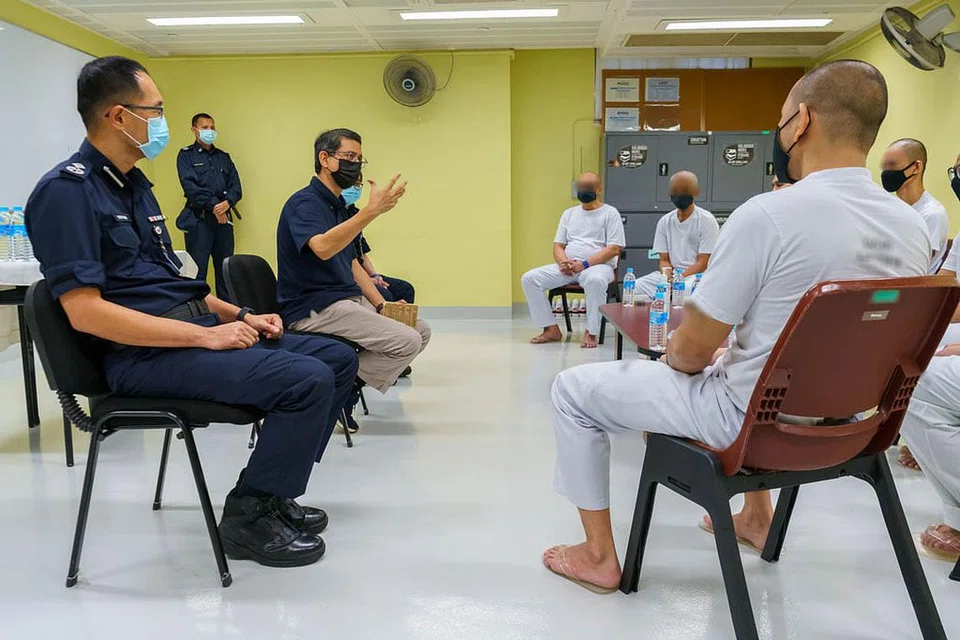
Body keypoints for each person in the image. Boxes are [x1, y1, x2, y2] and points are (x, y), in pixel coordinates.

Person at [543, 60, 932, 593]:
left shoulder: (768, 215)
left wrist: (699, 353)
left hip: (751, 426)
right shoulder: (912, 228)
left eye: (780, 119)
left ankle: (596, 555)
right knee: (752, 365)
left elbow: (690, 355)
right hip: (858, 429)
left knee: (571, 390)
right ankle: (755, 517)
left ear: (801, 121)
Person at [25, 56, 359, 569]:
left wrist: (239, 316)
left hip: (189, 332)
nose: (161, 120)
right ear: (118, 117)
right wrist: (207, 339)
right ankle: (247, 516)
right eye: (153, 110)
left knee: (336, 359)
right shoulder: (66, 193)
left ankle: (272, 493)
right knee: (306, 379)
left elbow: (179, 285)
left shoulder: (136, 185)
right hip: (141, 356)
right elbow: (86, 313)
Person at [277, 128, 429, 430]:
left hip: (345, 300)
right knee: (406, 340)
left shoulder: (339, 206)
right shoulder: (304, 203)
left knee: (420, 330)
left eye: (359, 159)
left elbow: (351, 261)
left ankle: (344, 386)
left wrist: (381, 304)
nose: (355, 165)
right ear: (325, 159)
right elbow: (321, 248)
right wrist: (370, 212)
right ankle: (337, 391)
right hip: (314, 307)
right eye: (348, 157)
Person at [521, 172, 625, 349]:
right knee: (530, 279)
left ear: (599, 189)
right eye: (581, 188)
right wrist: (563, 262)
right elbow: (558, 245)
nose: (584, 191)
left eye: (589, 188)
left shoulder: (610, 213)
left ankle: (591, 331)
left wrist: (583, 264)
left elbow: (614, 248)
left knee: (595, 280)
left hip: (597, 267)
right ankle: (550, 329)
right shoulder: (569, 214)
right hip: (569, 267)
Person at [176, 112, 242, 300]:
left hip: (223, 223)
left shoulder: (223, 157)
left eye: (212, 127)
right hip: (200, 222)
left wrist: (227, 203)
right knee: (197, 273)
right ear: (194, 130)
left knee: (225, 273)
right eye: (205, 127)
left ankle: (229, 319)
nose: (210, 131)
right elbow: (191, 188)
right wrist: (214, 206)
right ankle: (200, 318)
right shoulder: (185, 156)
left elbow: (236, 186)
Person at [635, 171, 719, 300]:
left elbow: (703, 262)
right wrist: (667, 276)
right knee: (635, 287)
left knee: (683, 290)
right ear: (669, 193)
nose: (680, 195)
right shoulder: (665, 221)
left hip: (696, 278)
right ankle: (656, 317)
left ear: (696, 192)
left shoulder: (707, 220)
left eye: (685, 191)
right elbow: (664, 259)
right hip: (671, 276)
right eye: (676, 191)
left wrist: (679, 278)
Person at [342, 178, 417, 304]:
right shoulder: (329, 215)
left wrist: (375, 275)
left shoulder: (353, 213)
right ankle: (382, 322)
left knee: (405, 289)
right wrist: (366, 280)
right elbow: (345, 260)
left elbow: (361, 253)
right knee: (383, 295)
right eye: (351, 184)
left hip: (361, 273)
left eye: (358, 185)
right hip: (343, 276)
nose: (354, 189)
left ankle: (402, 323)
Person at [880, 138, 949, 273]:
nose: (886, 172)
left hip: (914, 290)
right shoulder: (889, 209)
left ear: (916, 167)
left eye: (893, 164)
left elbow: (915, 265)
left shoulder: (933, 214)